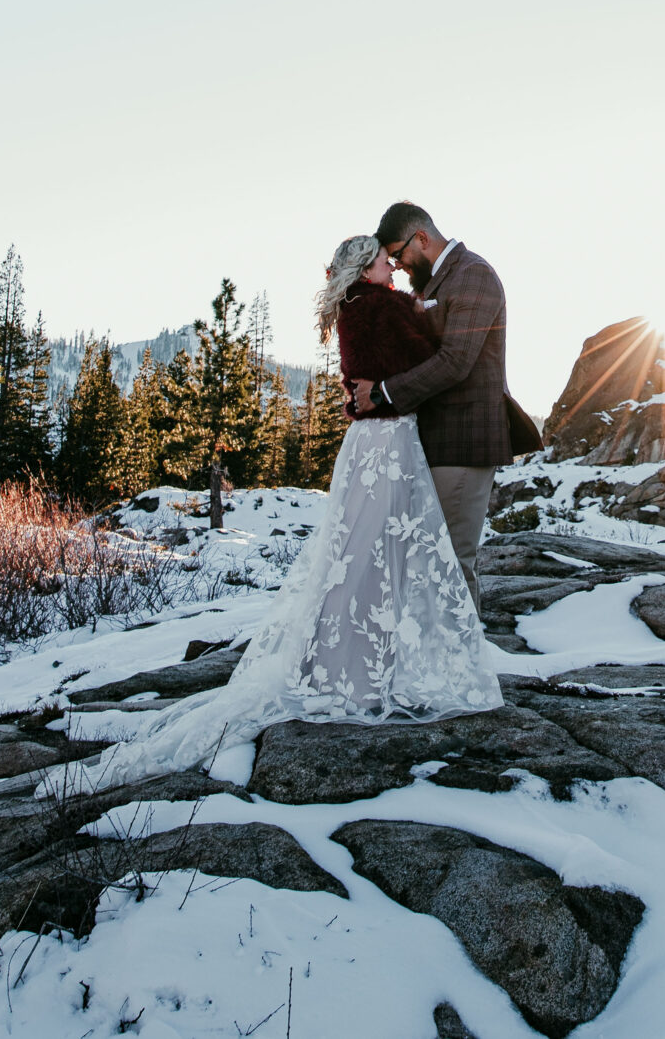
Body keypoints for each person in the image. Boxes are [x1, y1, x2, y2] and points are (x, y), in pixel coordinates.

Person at [68, 234, 501, 785]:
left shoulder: (350, 309)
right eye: (383, 262)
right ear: (364, 269)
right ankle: (370, 669)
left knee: (354, 552)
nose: (391, 268)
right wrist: (428, 312)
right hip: (389, 444)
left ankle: (346, 661)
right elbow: (428, 361)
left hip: (367, 448)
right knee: (380, 552)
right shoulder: (387, 307)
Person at [344, 202, 510, 608]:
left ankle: (465, 662)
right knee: (423, 559)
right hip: (427, 443)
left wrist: (382, 392)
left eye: (397, 255)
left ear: (421, 239)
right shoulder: (429, 283)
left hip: (463, 440)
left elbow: (455, 362)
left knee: (450, 560)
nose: (396, 266)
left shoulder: (473, 276)